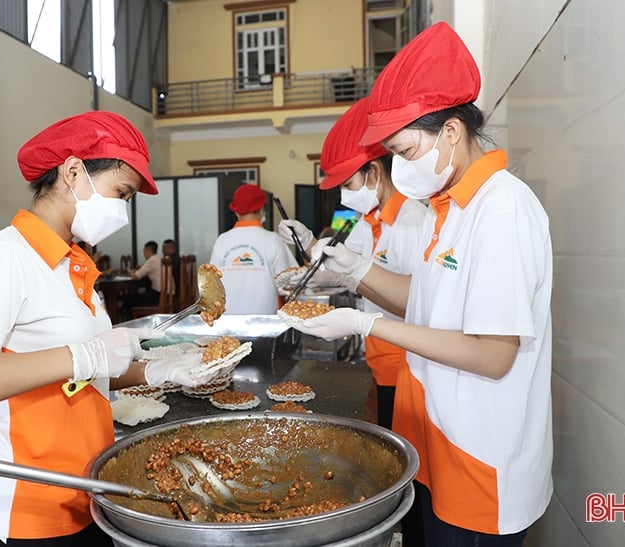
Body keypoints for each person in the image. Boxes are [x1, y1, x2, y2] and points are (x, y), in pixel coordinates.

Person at [288, 23, 552, 546]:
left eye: (405, 152)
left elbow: (493, 354)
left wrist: (368, 323)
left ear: (451, 131)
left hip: (482, 461)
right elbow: (426, 301)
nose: (400, 168)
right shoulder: (445, 209)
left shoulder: (502, 208)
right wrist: (355, 272)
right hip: (438, 442)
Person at [0, 111, 215, 546]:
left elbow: (83, 372)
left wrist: (156, 373)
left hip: (88, 495)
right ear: (73, 172)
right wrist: (80, 355)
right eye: (121, 193)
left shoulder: (73, 264)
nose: (122, 211)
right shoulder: (4, 258)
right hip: (29, 512)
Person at [278, 97, 426, 429]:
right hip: (378, 356)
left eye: (348, 184)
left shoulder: (411, 221)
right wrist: (308, 242)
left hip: (405, 363)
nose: (345, 196)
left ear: (374, 171)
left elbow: (414, 304)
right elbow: (341, 266)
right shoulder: (367, 221)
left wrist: (352, 285)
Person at [210, 184, 296, 314]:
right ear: (261, 208)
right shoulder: (272, 240)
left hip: (227, 320)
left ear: (236, 211)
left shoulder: (222, 240)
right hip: (264, 321)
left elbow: (212, 286)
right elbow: (286, 284)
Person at [129, 240, 162, 304]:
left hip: (159, 295)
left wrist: (129, 271)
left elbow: (136, 276)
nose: (143, 253)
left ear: (148, 250)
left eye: (144, 251)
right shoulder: (158, 258)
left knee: (129, 299)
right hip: (167, 294)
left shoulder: (151, 260)